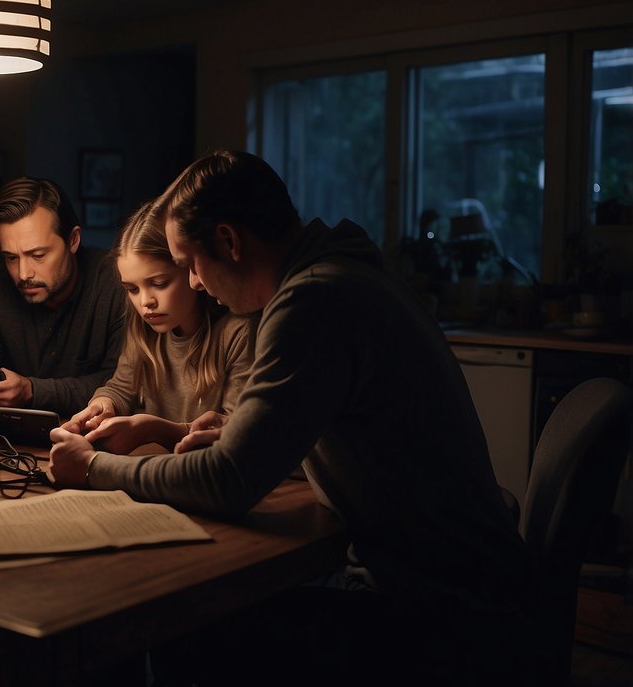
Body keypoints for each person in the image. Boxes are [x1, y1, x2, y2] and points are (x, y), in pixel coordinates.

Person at [49, 150, 545, 686]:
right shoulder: (343, 277)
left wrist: (93, 465)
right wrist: (242, 437)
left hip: (438, 618)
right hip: (451, 584)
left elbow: (228, 482)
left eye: (190, 262)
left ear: (229, 241)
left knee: (184, 626)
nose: (192, 282)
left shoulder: (311, 303)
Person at [61, 199, 257, 453]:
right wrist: (104, 403)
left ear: (191, 269)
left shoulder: (237, 332)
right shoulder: (143, 328)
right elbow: (121, 388)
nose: (145, 302)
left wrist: (157, 430)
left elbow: (236, 434)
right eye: (131, 289)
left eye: (160, 283)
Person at [0, 176, 126, 416]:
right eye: (11, 257)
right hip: (9, 443)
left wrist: (32, 391)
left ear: (73, 240)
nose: (23, 274)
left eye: (38, 255)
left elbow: (125, 385)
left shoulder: (117, 282)